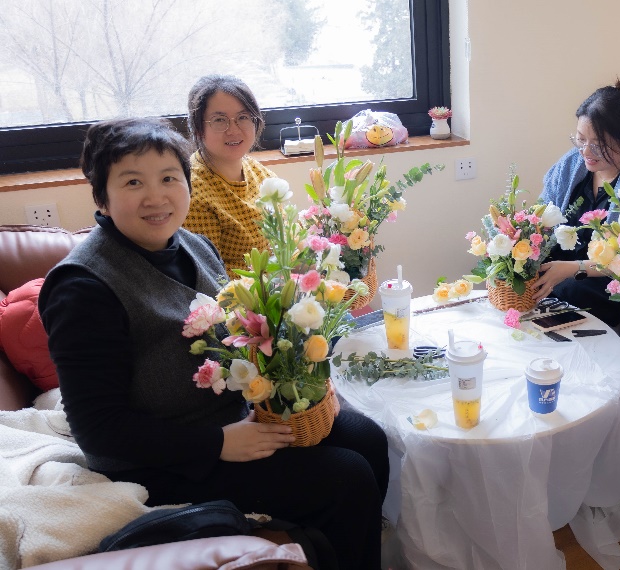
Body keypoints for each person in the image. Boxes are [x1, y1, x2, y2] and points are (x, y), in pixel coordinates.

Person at [39, 118, 389, 570]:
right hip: (163, 461)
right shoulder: (82, 287)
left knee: (366, 437)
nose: (156, 197)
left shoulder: (194, 246)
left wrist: (301, 384)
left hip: (235, 419)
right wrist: (216, 444)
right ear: (101, 197)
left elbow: (240, 337)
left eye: (169, 178)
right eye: (133, 182)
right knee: (346, 478)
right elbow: (98, 429)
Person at [535, 80, 620, 328]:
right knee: (520, 272)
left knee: (569, 293)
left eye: (598, 145)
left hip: (609, 280)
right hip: (561, 265)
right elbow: (541, 214)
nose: (586, 152)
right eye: (580, 140)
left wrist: (573, 269)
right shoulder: (572, 164)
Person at [183, 74, 276, 277]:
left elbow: (286, 237)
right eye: (219, 120)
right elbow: (210, 276)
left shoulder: (259, 172)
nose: (233, 130)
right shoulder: (194, 196)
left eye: (243, 117)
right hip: (243, 294)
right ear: (198, 128)